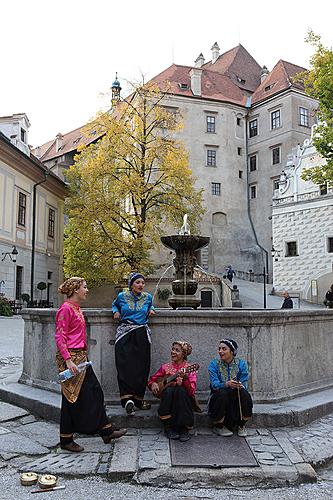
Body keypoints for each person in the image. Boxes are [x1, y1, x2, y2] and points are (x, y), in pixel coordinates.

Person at [56, 277, 127, 452]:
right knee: (71, 398)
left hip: (80, 358)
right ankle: (66, 439)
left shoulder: (77, 308)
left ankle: (106, 431)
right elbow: (60, 336)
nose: (87, 290)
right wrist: (68, 360)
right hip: (71, 360)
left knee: (94, 392)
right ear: (75, 290)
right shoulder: (65, 309)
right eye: (84, 287)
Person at [112, 272, 155, 415]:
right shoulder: (121, 297)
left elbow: (150, 306)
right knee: (124, 365)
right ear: (131, 284)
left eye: (143, 283)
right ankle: (127, 400)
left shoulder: (148, 297)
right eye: (138, 282)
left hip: (141, 333)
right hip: (124, 332)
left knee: (142, 367)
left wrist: (152, 310)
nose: (141, 285)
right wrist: (115, 312)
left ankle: (137, 399)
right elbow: (114, 305)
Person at [148, 341, 197, 442]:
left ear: (184, 354)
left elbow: (191, 391)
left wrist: (185, 380)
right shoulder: (165, 367)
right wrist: (153, 384)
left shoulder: (189, 368)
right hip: (168, 401)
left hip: (183, 402)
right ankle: (168, 426)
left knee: (180, 390)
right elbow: (152, 379)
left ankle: (184, 428)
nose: (173, 352)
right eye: (173, 349)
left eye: (177, 350)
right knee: (169, 390)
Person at [208, 338, 253, 437]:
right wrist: (226, 384)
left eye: (224, 349)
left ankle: (241, 424)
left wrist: (239, 385)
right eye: (219, 348)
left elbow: (244, 383)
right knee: (222, 393)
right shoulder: (214, 364)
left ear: (232, 351)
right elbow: (214, 384)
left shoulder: (241, 364)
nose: (220, 351)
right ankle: (219, 426)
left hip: (235, 395)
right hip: (219, 396)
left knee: (243, 393)